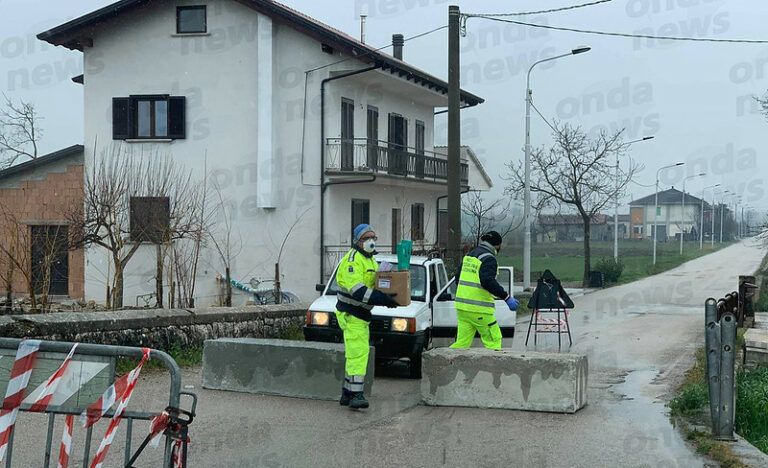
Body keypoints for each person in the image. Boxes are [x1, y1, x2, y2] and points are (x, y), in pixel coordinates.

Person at [335, 224, 398, 409]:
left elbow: (375, 283)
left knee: (355, 353)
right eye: (366, 238)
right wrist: (382, 298)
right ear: (357, 241)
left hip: (360, 315)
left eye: (373, 238)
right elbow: (357, 290)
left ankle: (347, 393)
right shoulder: (353, 261)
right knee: (359, 353)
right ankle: (356, 394)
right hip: (351, 313)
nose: (370, 241)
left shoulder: (370, 260)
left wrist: (389, 293)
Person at [450, 230, 518, 350]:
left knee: (461, 344)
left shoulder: (469, 256)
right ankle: (493, 369)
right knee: (494, 341)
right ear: (497, 245)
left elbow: (457, 279)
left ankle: (446, 366)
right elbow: (488, 282)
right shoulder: (489, 259)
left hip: (462, 309)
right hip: (480, 310)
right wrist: (506, 297)